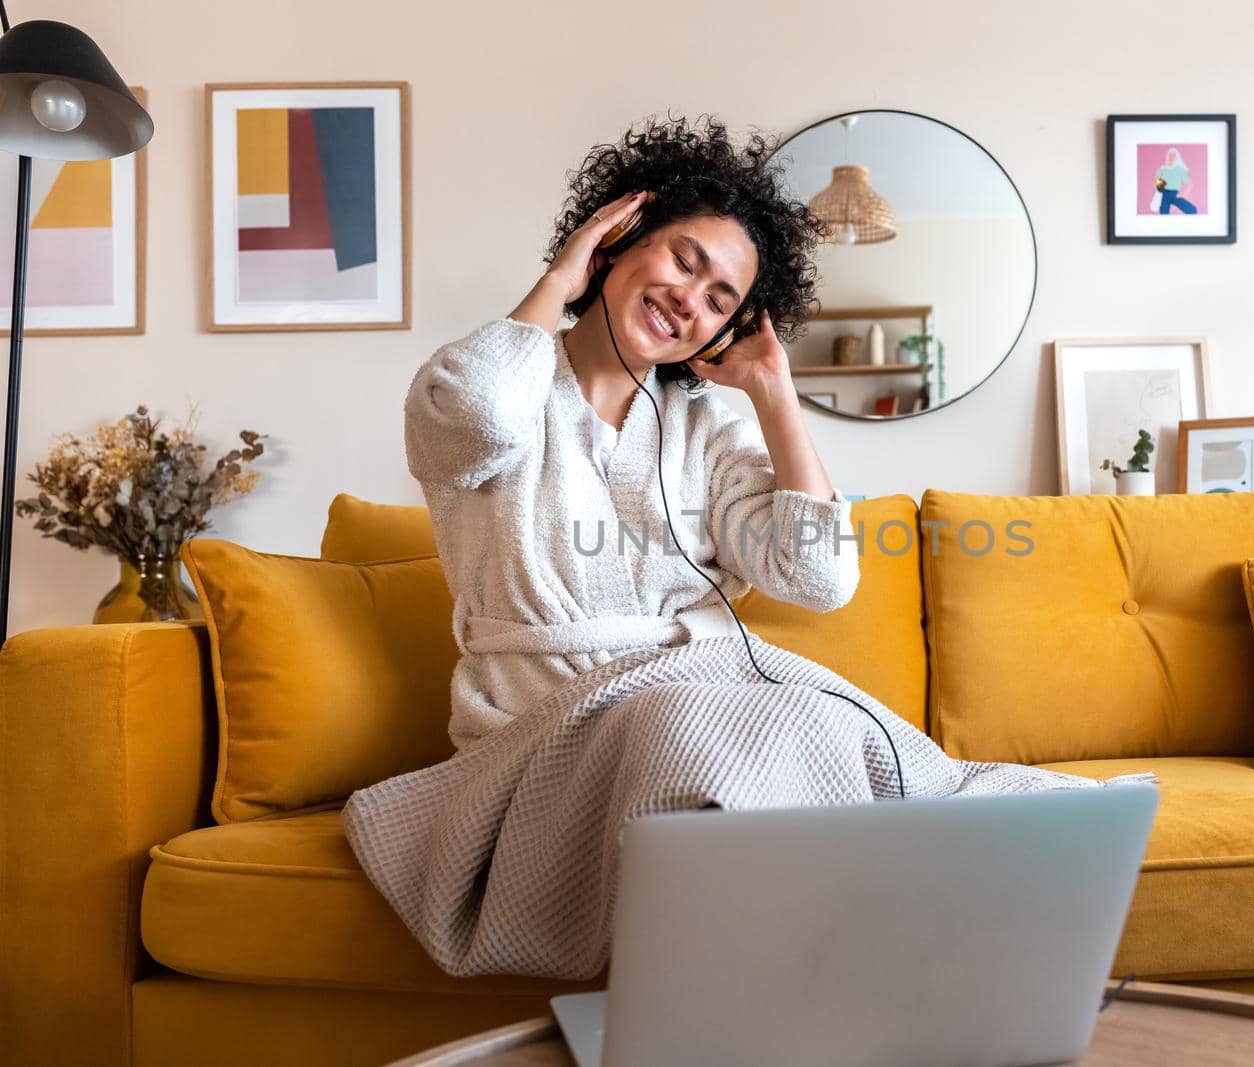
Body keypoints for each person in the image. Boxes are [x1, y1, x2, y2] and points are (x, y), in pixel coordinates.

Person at [339, 113, 1154, 982]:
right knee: (690, 725)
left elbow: (820, 575)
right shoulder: (499, 386)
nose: (693, 298)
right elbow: (475, 416)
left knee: (825, 723)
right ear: (619, 238)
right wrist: (561, 274)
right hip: (542, 727)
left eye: (722, 298)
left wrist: (772, 392)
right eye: (684, 261)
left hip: (689, 698)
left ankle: (903, 987)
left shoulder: (703, 430)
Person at [1154, 147, 1198, 215]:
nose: (1171, 157)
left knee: (1192, 210)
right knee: (1163, 213)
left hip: (1174, 194)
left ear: (1177, 157)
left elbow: (1190, 184)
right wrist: (1159, 182)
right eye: (1170, 155)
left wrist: (1183, 195)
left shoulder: (1179, 170)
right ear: (1167, 156)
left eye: (1173, 155)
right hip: (1164, 194)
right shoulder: (1162, 169)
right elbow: (1158, 186)